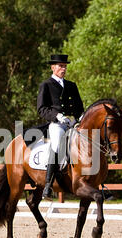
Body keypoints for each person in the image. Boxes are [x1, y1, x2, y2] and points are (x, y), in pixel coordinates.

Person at [37, 54, 84, 199]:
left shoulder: (71, 85)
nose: (63, 69)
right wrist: (57, 116)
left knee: (88, 143)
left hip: (72, 124)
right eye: (60, 66)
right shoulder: (46, 85)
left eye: (65, 66)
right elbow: (41, 108)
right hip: (57, 124)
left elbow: (79, 107)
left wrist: (79, 117)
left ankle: (97, 183)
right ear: (53, 67)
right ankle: (48, 185)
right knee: (57, 146)